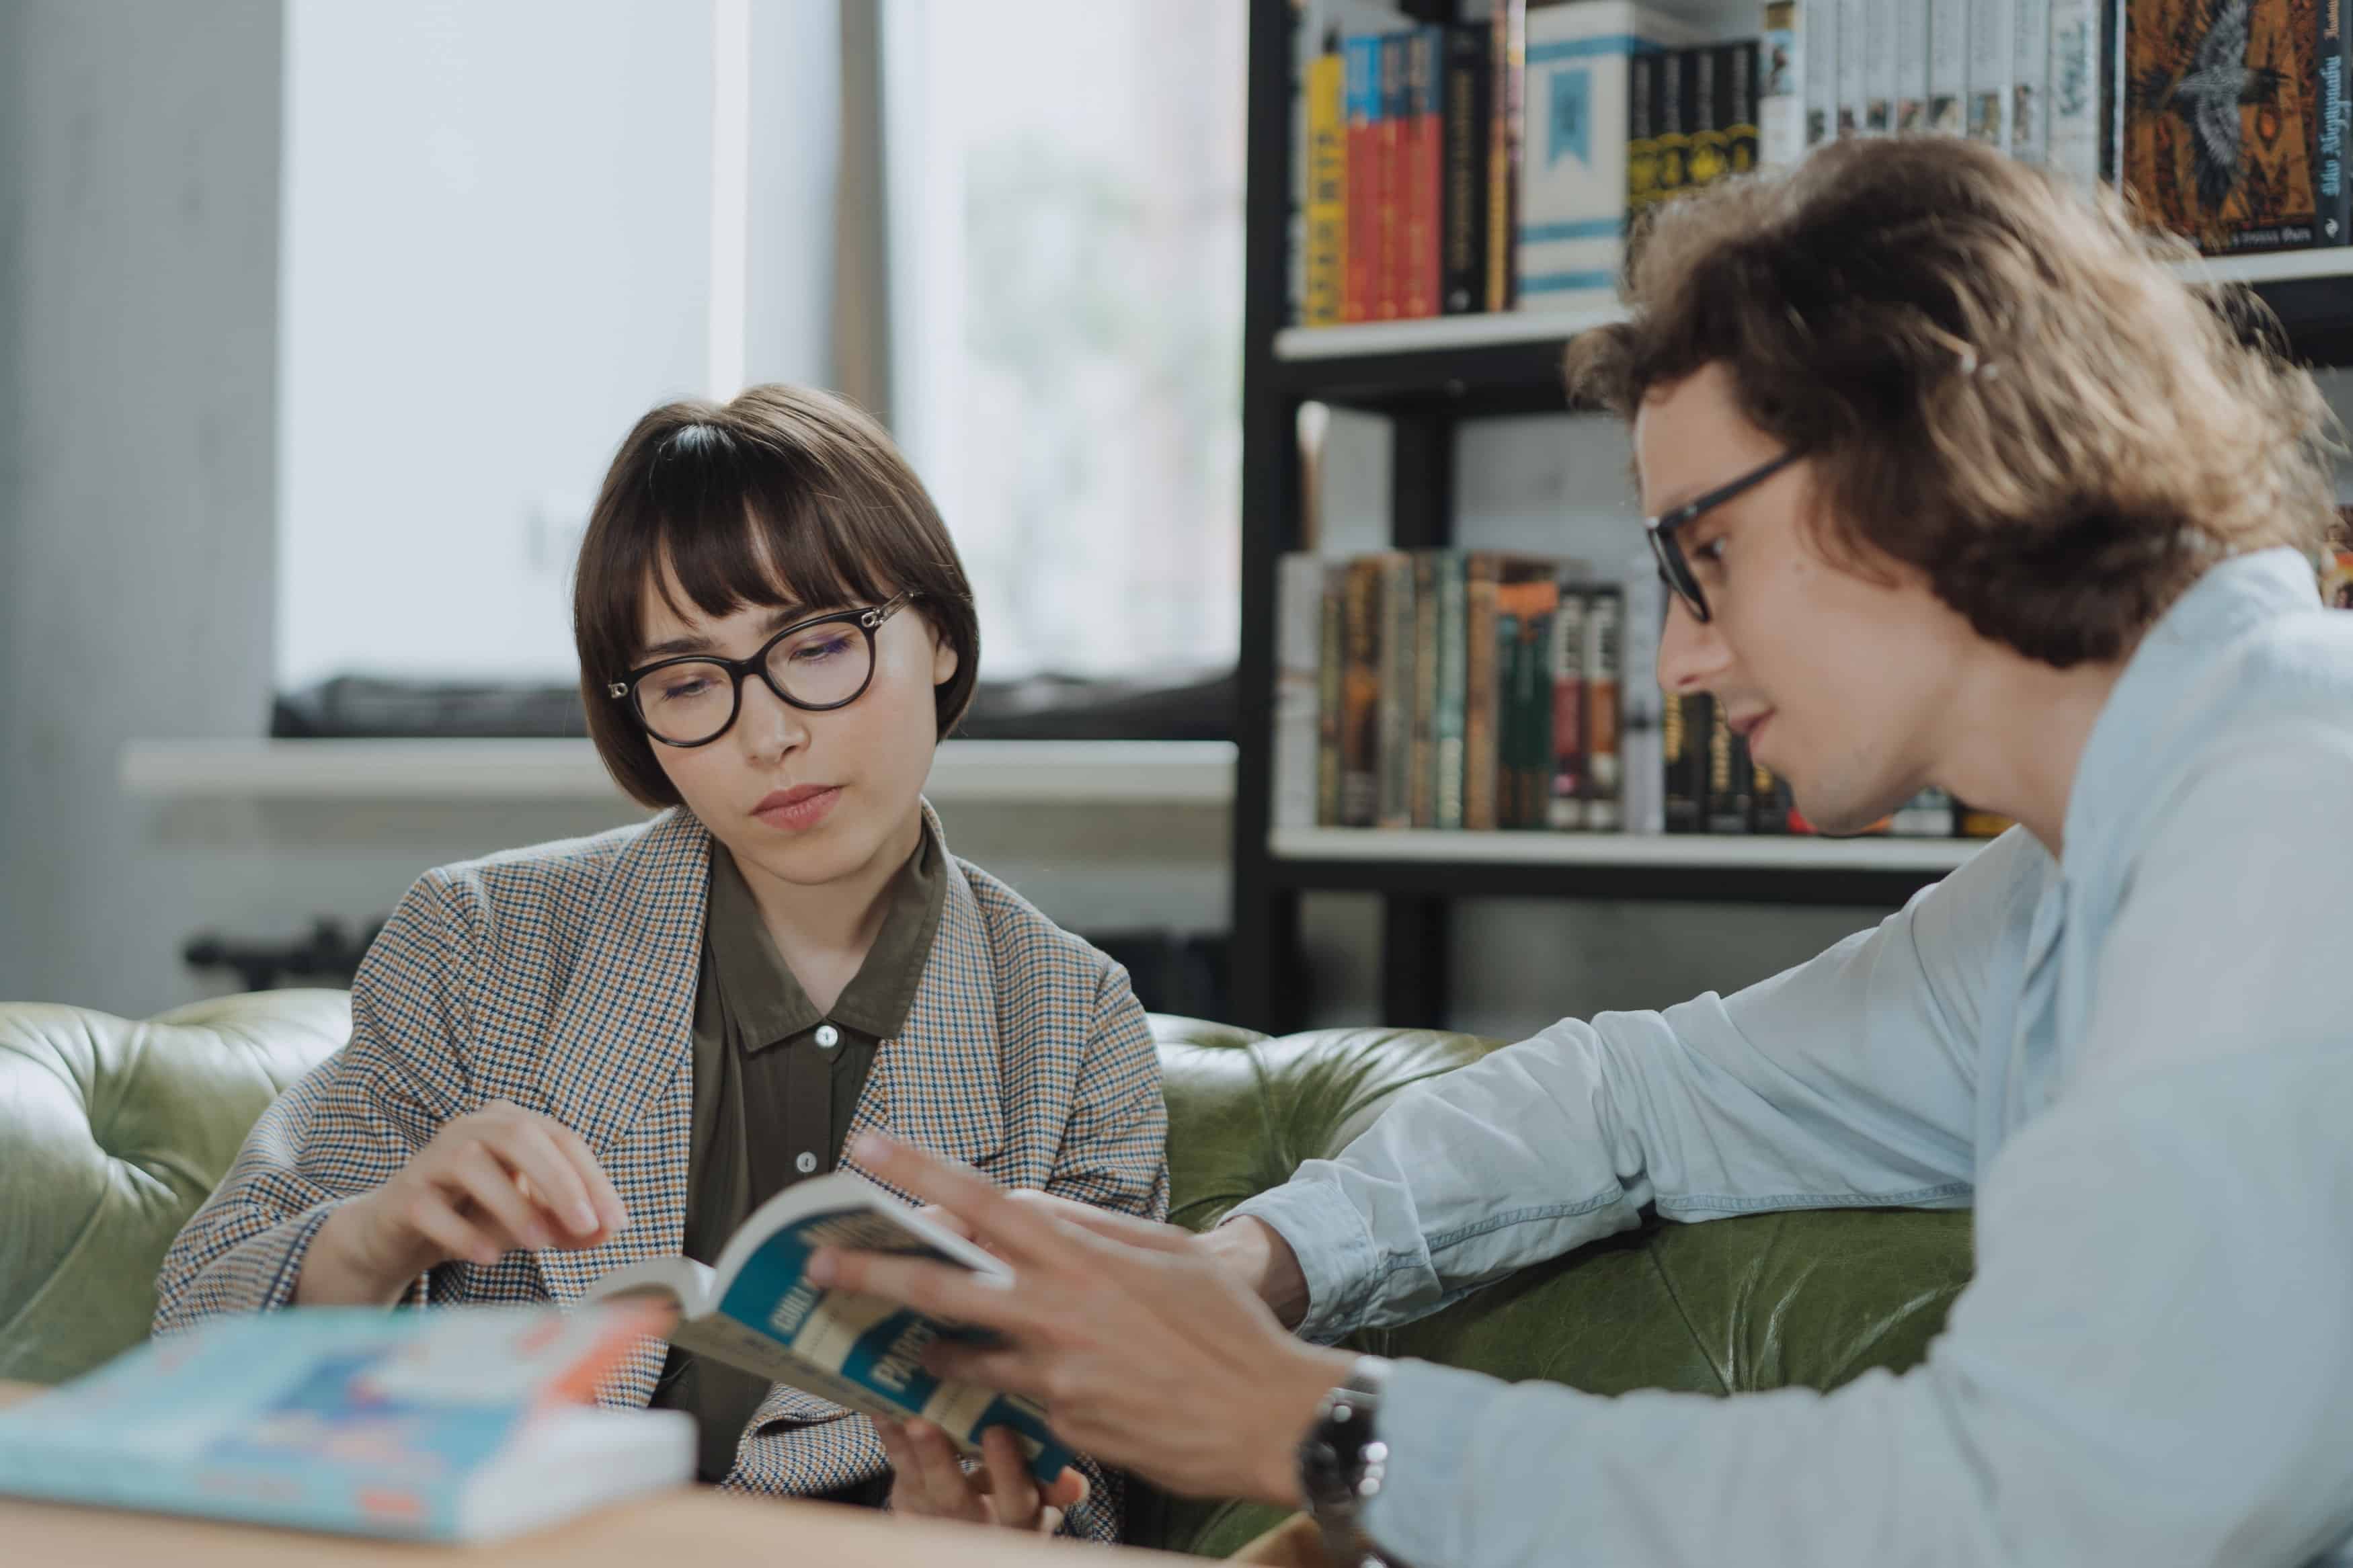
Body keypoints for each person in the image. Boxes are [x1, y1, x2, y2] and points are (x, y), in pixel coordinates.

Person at [807, 136, 2353, 1566]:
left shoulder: (2287, 821)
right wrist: (1248, 1266)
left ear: (1934, 447)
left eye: (1706, 556)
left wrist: (1323, 1429)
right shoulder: (2067, 881)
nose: (1679, 657)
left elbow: (2039, 1508)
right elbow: (1640, 1096)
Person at [153, 386, 1166, 1540]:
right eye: (691, 682)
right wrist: (376, 1237)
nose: (768, 733)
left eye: (820, 645)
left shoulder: (1076, 1026)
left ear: (936, 632)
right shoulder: (475, 942)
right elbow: (195, 1326)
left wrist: (982, 1516)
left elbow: (1097, 1472)